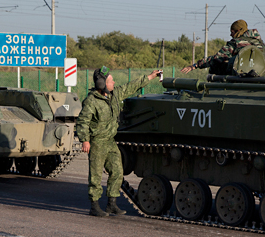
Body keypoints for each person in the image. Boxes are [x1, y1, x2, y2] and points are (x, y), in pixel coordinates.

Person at [76, 67, 161, 217]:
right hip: (97, 142)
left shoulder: (115, 95)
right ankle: (94, 206)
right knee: (95, 175)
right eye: (111, 80)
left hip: (110, 141)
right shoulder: (91, 101)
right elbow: (82, 121)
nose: (114, 82)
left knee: (117, 171)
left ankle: (111, 205)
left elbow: (131, 86)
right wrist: (85, 140)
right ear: (102, 84)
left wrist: (151, 76)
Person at [181, 19, 265, 75]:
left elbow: (216, 58)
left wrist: (195, 65)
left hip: (240, 76)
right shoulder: (260, 43)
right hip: (260, 76)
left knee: (216, 64)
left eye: (232, 32)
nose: (230, 35)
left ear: (238, 31)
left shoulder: (236, 43)